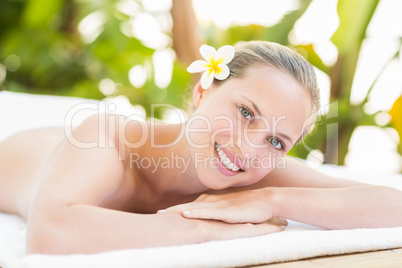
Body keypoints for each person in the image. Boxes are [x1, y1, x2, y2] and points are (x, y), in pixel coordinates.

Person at [0, 41, 401, 255]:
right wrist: (201, 230)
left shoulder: (259, 170)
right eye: (245, 112)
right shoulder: (108, 138)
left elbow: (394, 208)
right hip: (30, 145)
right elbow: (49, 232)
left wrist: (274, 199)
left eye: (277, 140)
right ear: (202, 90)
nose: (247, 147)